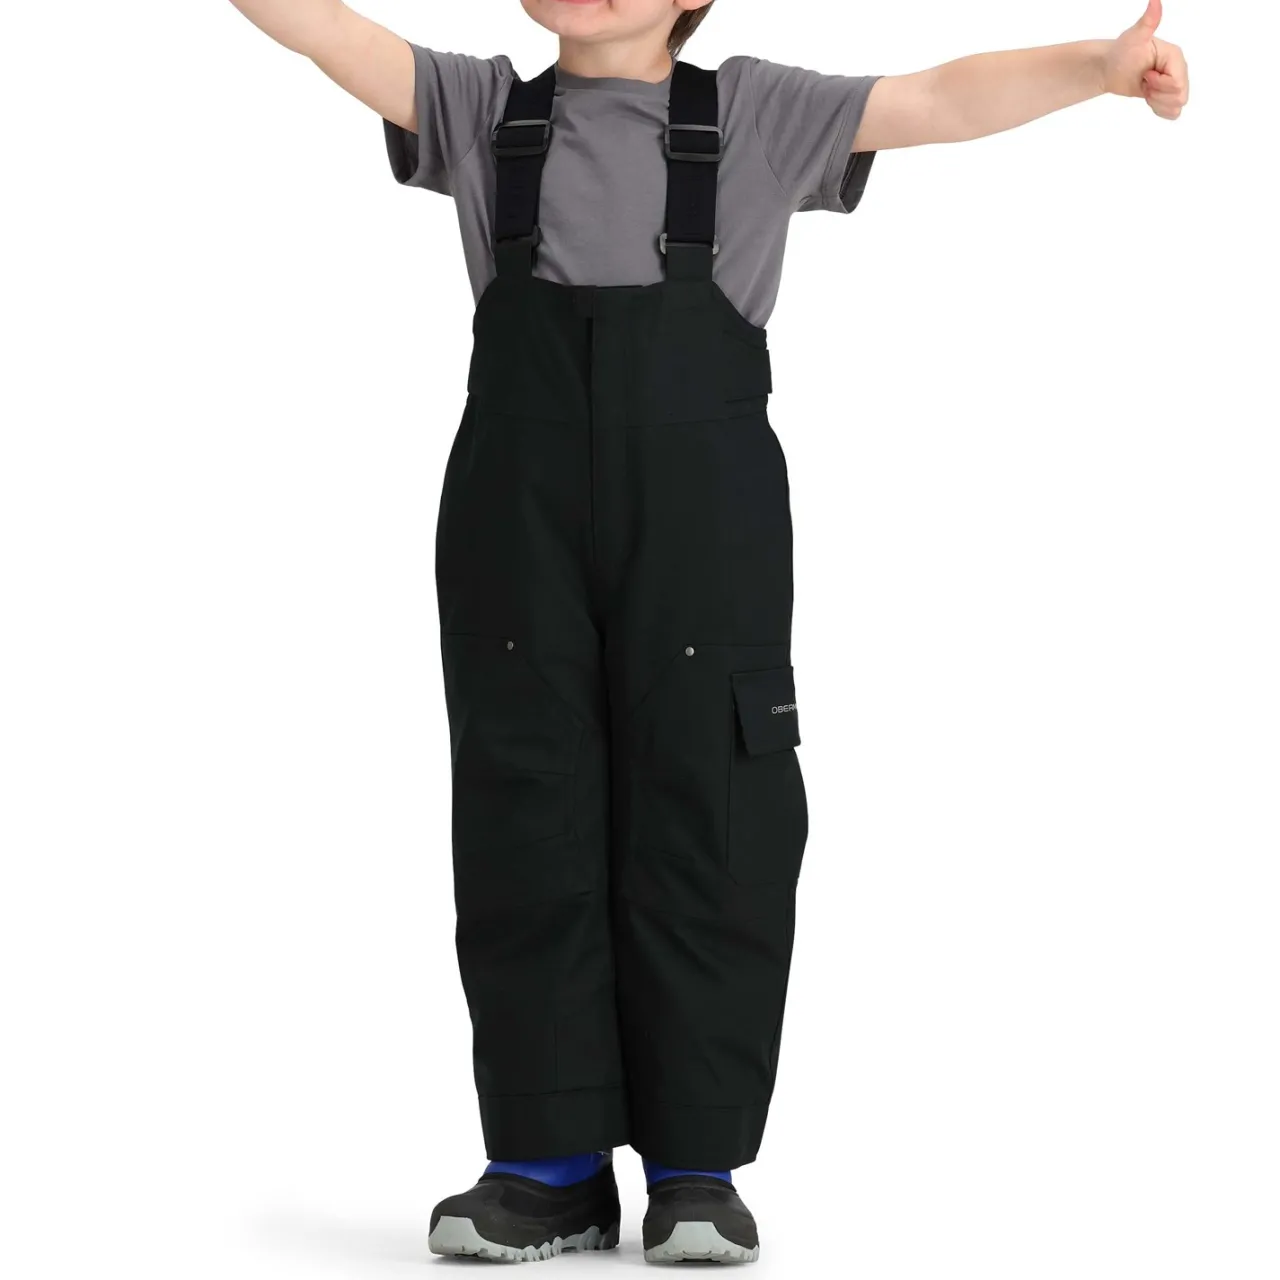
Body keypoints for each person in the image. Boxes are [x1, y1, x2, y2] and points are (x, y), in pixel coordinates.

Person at [226, 0, 1190, 1265]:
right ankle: (547, 1163)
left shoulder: (753, 113)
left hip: (705, 522)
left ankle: (696, 1162)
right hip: (515, 516)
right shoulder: (480, 109)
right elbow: (325, 35)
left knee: (711, 808)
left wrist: (1098, 69)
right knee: (526, 806)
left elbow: (937, 98)